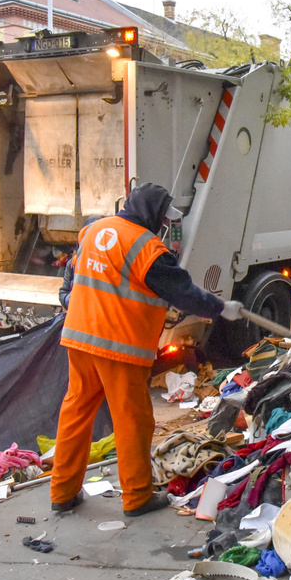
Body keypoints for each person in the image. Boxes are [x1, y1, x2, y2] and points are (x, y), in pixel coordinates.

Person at [51, 183, 244, 517]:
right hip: (117, 347)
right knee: (132, 422)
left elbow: (78, 278)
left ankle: (62, 492)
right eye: (164, 217)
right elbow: (182, 292)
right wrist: (220, 307)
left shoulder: (93, 231)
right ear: (153, 213)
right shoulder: (145, 247)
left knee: (76, 413)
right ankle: (137, 497)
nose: (166, 225)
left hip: (79, 339)